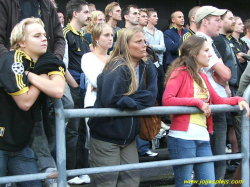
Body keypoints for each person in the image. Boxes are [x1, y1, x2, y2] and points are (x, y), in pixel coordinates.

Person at [162, 35, 250, 187]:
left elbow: (219, 100)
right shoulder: (180, 72)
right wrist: (196, 102)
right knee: (184, 184)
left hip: (202, 137)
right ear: (194, 53)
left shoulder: (203, 75)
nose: (210, 54)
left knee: (208, 184)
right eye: (207, 50)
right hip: (183, 138)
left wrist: (239, 99)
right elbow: (167, 100)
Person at [88, 26, 158, 187]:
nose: (144, 45)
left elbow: (151, 96)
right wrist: (133, 102)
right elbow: (110, 99)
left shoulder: (148, 66)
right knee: (106, 183)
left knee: (131, 183)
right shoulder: (117, 67)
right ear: (126, 45)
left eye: (145, 41)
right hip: (106, 136)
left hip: (129, 137)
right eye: (138, 42)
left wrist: (127, 100)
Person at [0, 17, 65, 187]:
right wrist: (42, 76)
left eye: (44, 35)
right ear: (21, 42)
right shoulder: (12, 59)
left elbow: (58, 90)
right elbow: (25, 102)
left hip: (20, 145)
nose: (44, 38)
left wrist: (32, 75)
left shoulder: (46, 59)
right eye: (37, 36)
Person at [63, 0, 91, 184]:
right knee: (72, 130)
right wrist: (73, 85)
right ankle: (70, 172)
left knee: (83, 129)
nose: (89, 15)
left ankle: (82, 170)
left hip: (83, 86)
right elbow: (62, 63)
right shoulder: (64, 34)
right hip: (74, 87)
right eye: (86, 12)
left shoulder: (83, 36)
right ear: (75, 13)